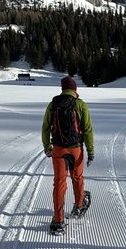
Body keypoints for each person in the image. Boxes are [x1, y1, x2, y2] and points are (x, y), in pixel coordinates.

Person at [41, 76, 95, 226]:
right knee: (77, 178)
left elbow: (45, 128)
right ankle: (78, 206)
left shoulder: (52, 105)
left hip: (58, 150)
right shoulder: (80, 104)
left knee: (59, 183)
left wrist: (47, 147)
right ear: (74, 89)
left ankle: (58, 221)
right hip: (76, 149)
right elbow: (87, 130)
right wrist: (90, 151)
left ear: (63, 89)